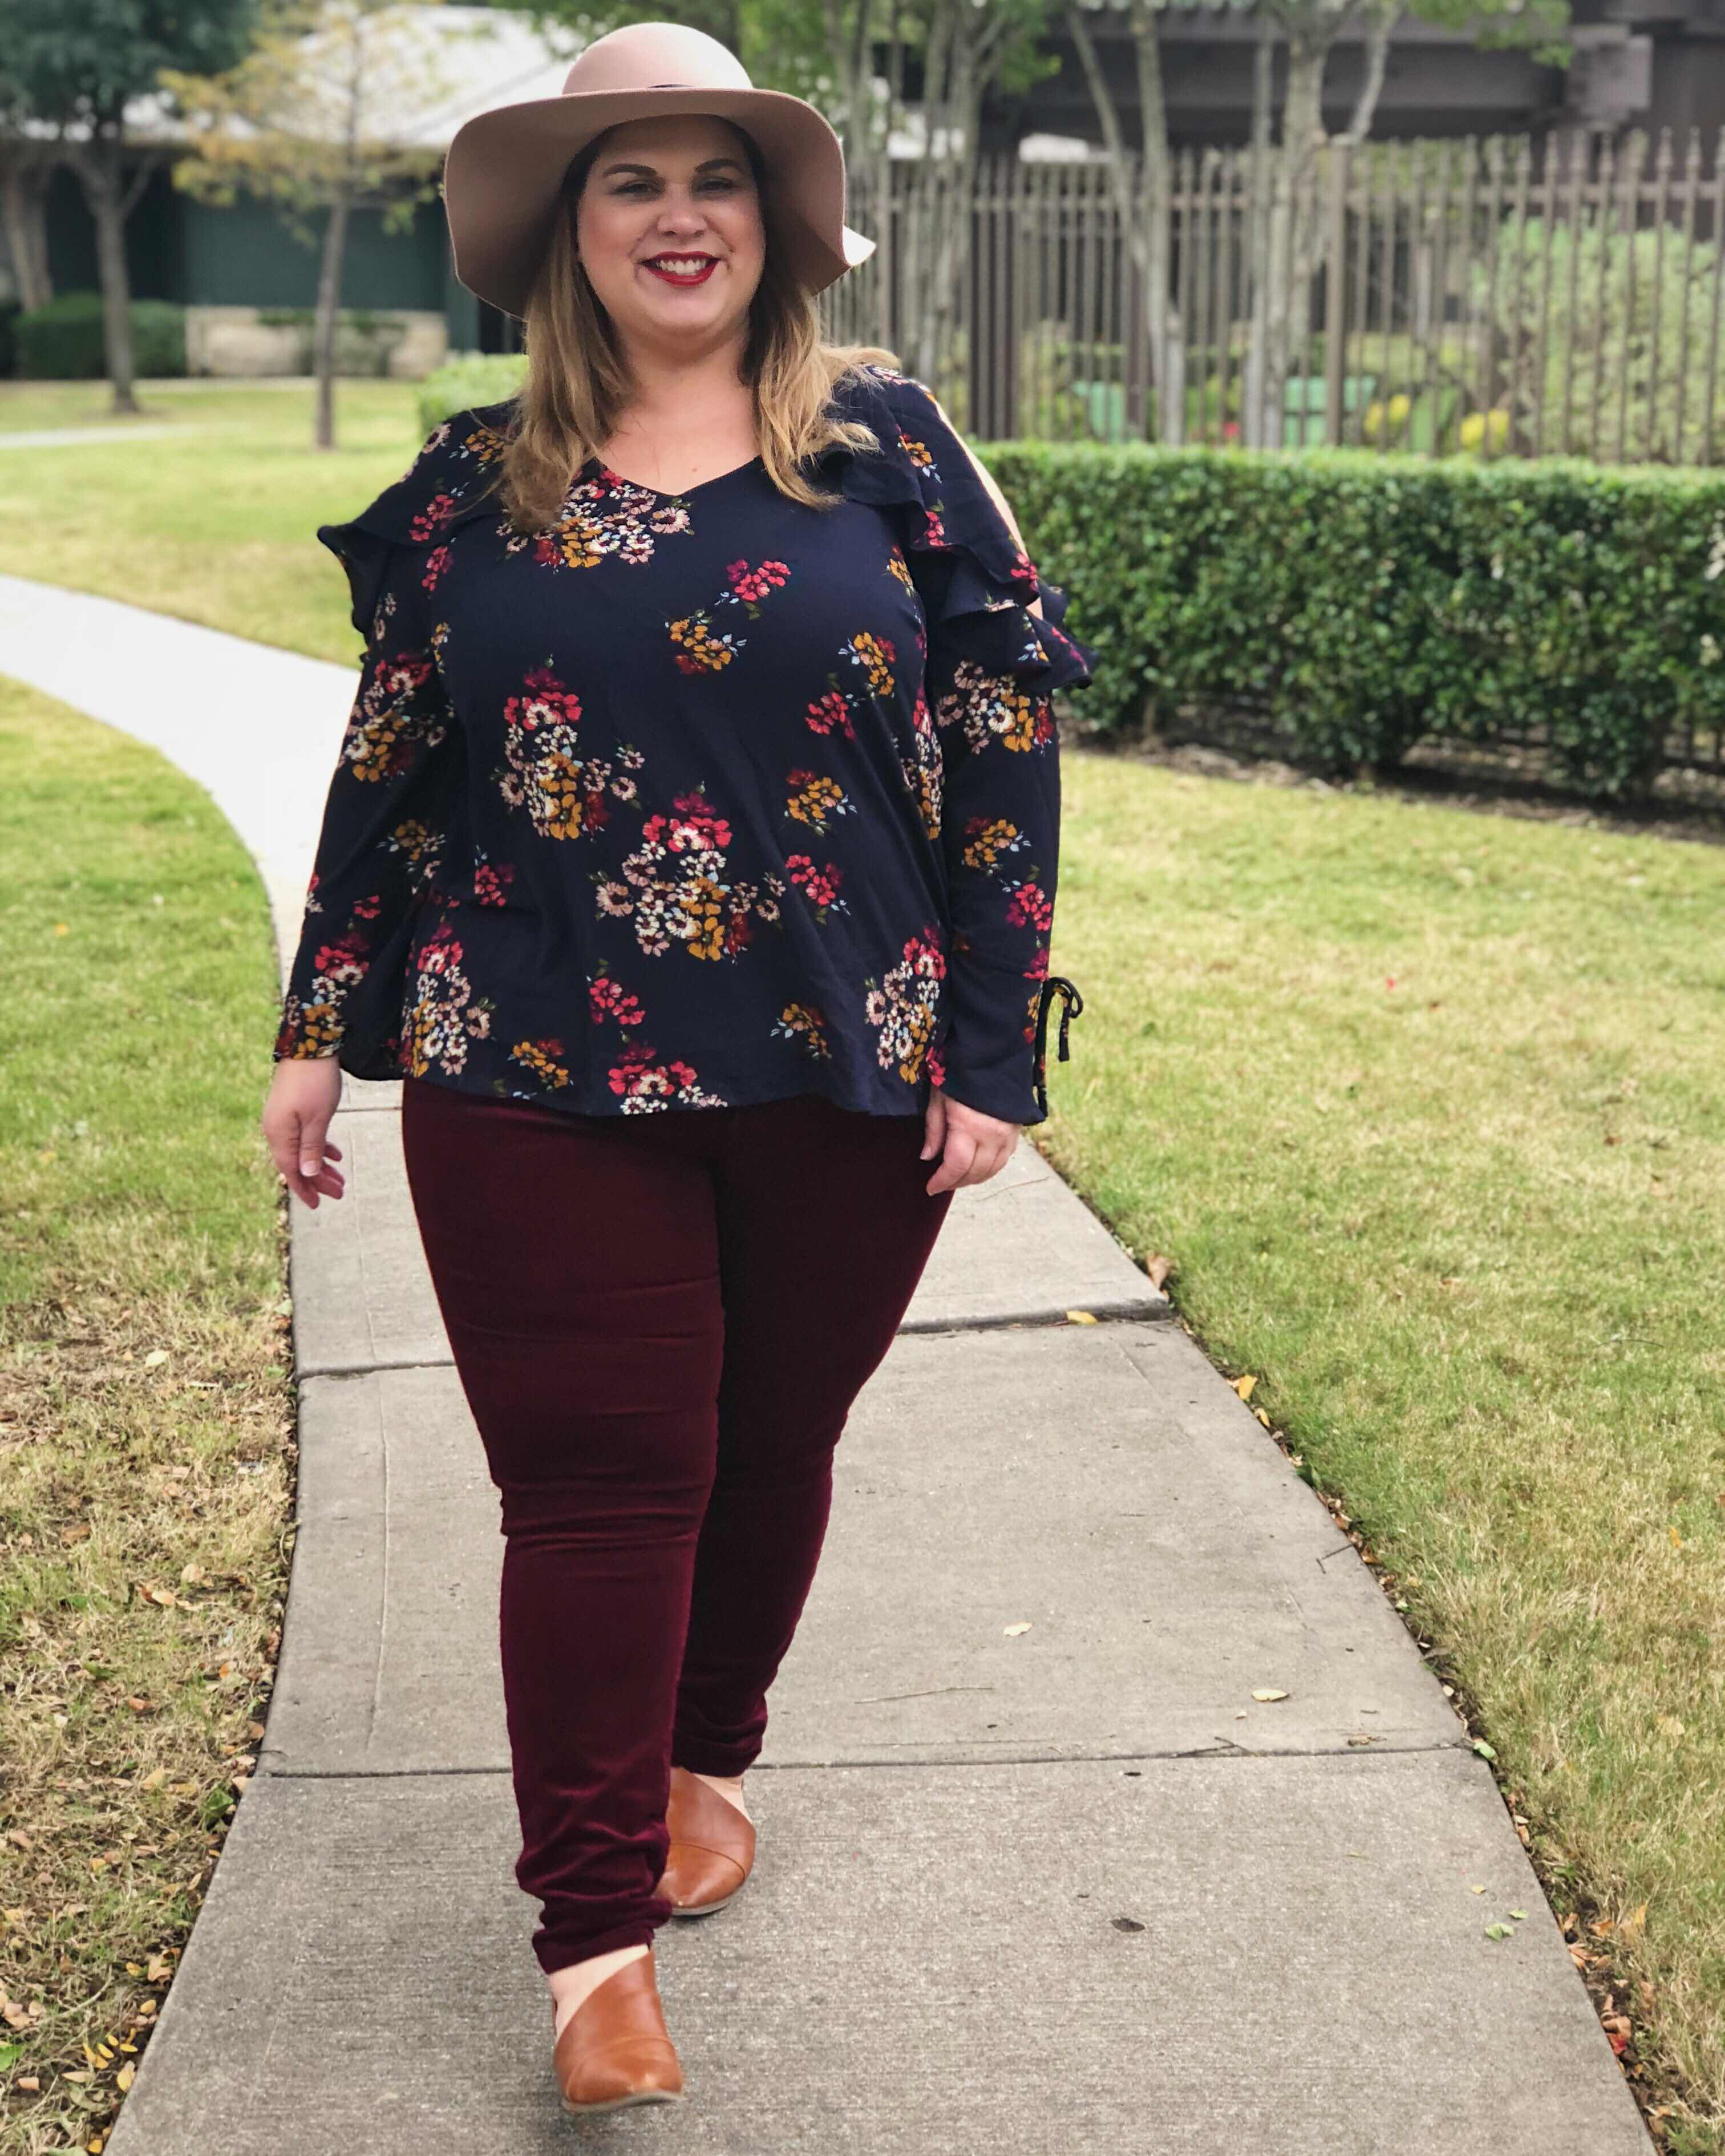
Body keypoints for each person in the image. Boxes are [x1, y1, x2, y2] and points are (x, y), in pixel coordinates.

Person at [259, 18, 1095, 2118]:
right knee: (598, 1487)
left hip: (840, 1057)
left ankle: (708, 1755)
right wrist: (316, 1025)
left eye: (714, 176)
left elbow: (1004, 748)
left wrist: (996, 1049)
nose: (678, 216)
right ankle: (593, 1943)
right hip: (529, 1053)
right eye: (630, 181)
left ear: (775, 224)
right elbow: (389, 768)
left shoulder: (890, 449)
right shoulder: (474, 487)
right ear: (570, 231)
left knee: (774, 1438)